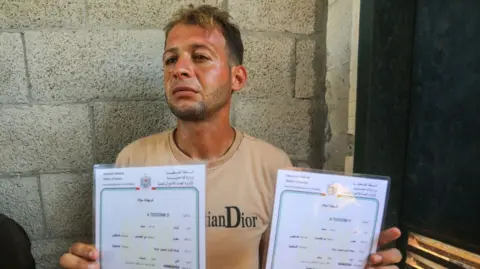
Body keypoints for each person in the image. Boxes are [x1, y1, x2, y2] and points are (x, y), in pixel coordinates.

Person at [59, 4, 402, 269]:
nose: (179, 69)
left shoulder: (273, 166)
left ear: (237, 78)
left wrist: (344, 256)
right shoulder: (131, 162)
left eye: (200, 57)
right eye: (170, 59)